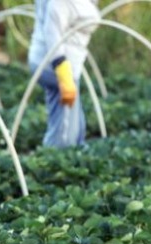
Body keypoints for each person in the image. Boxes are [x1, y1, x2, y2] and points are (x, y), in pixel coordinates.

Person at [28, 0, 100, 148]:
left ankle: (70, 156)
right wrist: (61, 69)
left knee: (75, 126)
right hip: (56, 65)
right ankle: (54, 163)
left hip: (57, 63)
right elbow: (52, 32)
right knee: (65, 134)